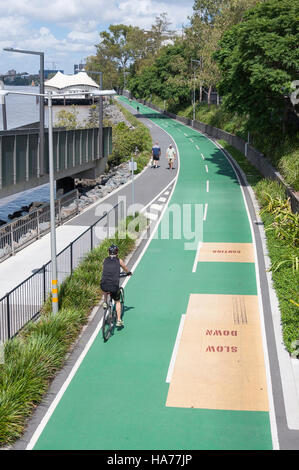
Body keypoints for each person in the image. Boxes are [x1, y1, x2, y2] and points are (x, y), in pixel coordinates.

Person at [100, 244, 132, 327]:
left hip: (103, 284)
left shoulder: (104, 260)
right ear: (117, 253)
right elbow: (124, 267)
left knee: (104, 285)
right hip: (114, 286)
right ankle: (118, 320)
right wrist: (128, 272)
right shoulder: (119, 261)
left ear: (108, 252)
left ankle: (104, 302)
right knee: (117, 302)